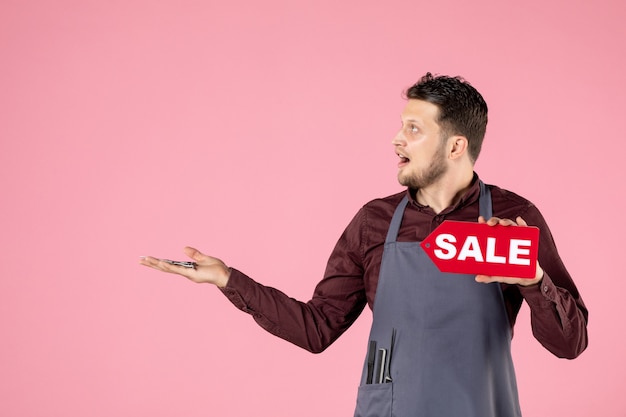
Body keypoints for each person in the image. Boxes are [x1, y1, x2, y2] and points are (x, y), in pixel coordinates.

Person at [140, 73, 588, 417]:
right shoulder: (375, 222)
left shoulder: (513, 219)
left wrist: (533, 279)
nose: (397, 139)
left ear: (455, 146)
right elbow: (317, 329)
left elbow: (570, 344)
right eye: (401, 126)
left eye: (414, 129)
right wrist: (228, 279)